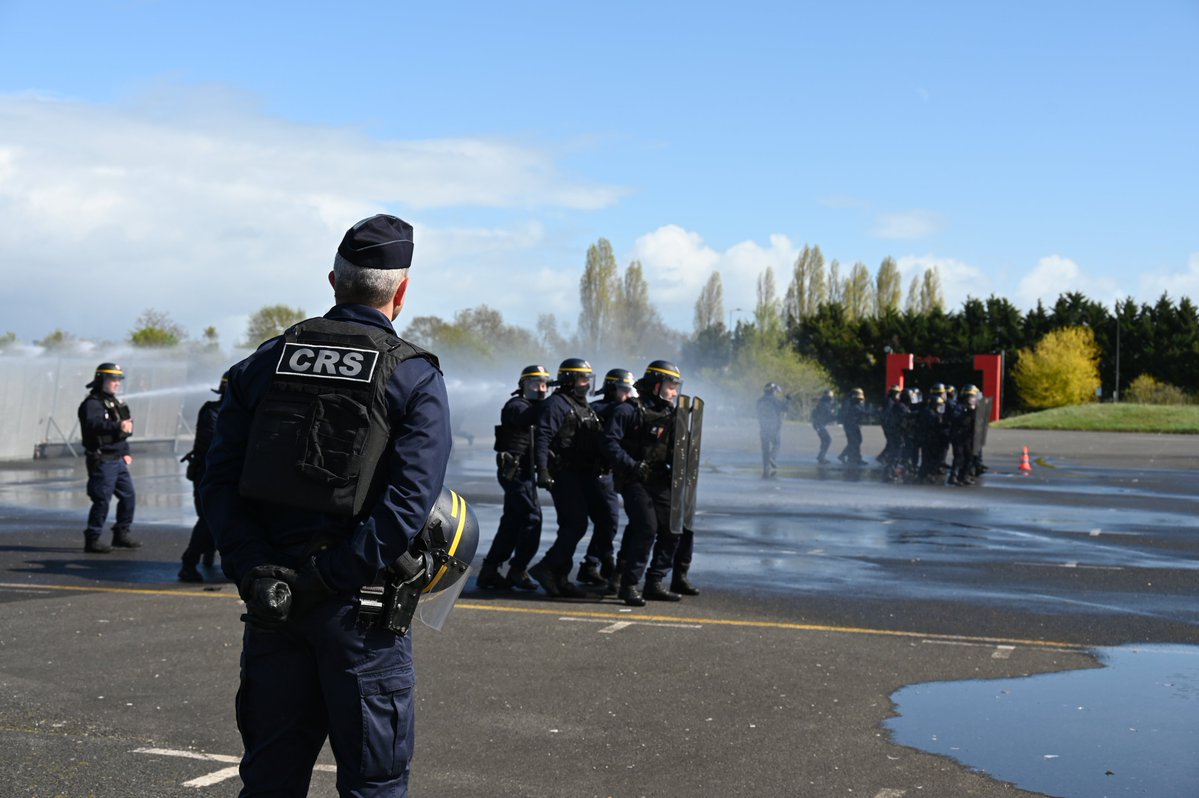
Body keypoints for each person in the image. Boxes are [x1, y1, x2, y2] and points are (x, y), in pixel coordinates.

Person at [200, 214, 452, 796]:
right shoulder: (412, 375)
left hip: (273, 606)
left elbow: (218, 482)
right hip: (358, 615)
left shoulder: (264, 362)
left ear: (334, 281)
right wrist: (330, 578)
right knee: (373, 785)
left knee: (269, 779)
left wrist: (257, 571)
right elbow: (407, 503)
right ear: (403, 290)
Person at [604, 360, 693, 607]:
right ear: (656, 385)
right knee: (646, 527)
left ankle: (655, 581)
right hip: (633, 478)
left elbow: (678, 448)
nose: (675, 392)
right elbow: (609, 443)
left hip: (658, 478)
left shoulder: (670, 414)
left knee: (673, 527)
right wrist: (632, 464)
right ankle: (629, 584)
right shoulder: (628, 410)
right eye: (671, 386)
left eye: (676, 386)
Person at [527, 358, 609, 599]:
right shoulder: (557, 404)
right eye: (583, 379)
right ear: (570, 380)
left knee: (578, 524)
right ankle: (547, 568)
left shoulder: (583, 405)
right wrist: (542, 470)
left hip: (582, 474)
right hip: (563, 474)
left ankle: (560, 576)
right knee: (575, 524)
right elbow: (542, 438)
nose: (587, 384)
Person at [476, 365, 550, 591]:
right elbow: (525, 416)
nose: (541, 388)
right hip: (515, 472)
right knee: (531, 518)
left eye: (544, 384)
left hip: (523, 473)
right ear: (523, 385)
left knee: (512, 522)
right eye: (535, 383)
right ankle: (518, 569)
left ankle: (489, 571)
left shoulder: (537, 407)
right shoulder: (516, 406)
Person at [577, 368, 635, 588]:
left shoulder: (613, 408)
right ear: (612, 389)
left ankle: (595, 564)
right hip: (596, 473)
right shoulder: (602, 408)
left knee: (605, 521)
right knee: (609, 520)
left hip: (604, 472)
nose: (628, 396)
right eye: (623, 390)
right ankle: (594, 563)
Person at [78, 362, 138, 553]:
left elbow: (123, 431)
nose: (117, 383)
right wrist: (117, 426)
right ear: (101, 379)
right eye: (113, 379)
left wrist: (126, 451)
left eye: (119, 379)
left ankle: (121, 533)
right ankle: (93, 538)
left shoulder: (116, 404)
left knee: (129, 496)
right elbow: (92, 425)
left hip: (118, 459)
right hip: (102, 459)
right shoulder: (92, 404)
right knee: (102, 500)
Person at [178, 372, 227, 582]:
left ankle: (210, 554)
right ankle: (189, 563)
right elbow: (213, 444)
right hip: (208, 474)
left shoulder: (239, 414)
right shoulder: (212, 412)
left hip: (224, 476)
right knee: (208, 520)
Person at [756, 382, 788, 478]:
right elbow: (785, 408)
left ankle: (766, 467)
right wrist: (788, 400)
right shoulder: (775, 400)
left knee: (765, 448)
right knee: (776, 443)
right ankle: (772, 458)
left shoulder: (759, 401)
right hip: (773, 427)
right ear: (773, 391)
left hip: (763, 427)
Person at [837, 388, 867, 466]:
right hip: (850, 425)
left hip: (854, 425)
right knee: (854, 442)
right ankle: (845, 456)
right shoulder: (850, 403)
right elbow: (860, 412)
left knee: (857, 441)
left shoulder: (855, 402)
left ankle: (854, 458)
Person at [811, 388, 837, 464]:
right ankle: (821, 456)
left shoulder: (824, 403)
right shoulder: (824, 404)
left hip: (819, 424)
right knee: (827, 440)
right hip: (819, 424)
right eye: (830, 396)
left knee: (825, 440)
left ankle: (821, 456)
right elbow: (828, 415)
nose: (831, 398)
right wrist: (837, 417)